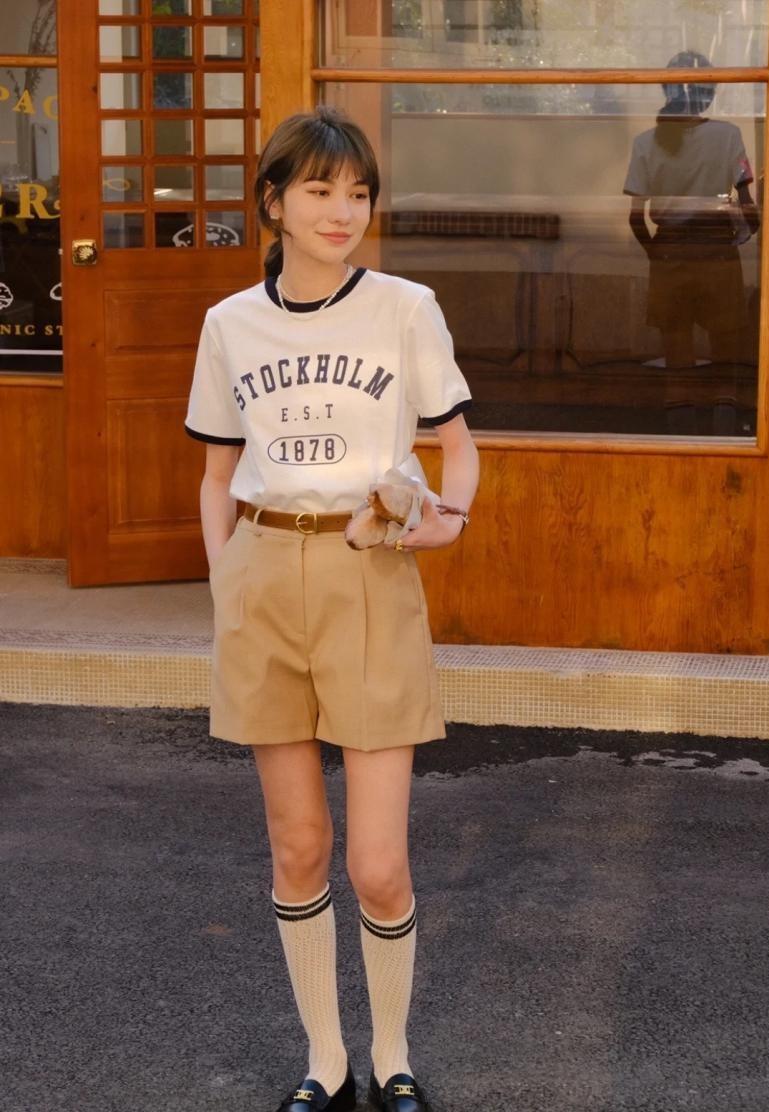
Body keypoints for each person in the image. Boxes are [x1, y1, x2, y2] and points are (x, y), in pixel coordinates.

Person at [185, 105, 479, 1112]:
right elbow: (216, 476)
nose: (342, 211)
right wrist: (227, 583)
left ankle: (392, 1054)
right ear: (273, 202)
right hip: (264, 570)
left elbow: (457, 445)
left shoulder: (405, 308)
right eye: (319, 190)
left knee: (378, 863)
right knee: (299, 846)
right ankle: (328, 1061)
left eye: (358, 193)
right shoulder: (230, 324)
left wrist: (450, 518)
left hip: (369, 569)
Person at [623, 51, 760, 434]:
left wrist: (658, 254)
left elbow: (635, 218)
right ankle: (725, 427)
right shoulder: (728, 136)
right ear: (710, 94)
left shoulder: (645, 143)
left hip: (670, 251)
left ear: (666, 90)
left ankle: (679, 432)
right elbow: (748, 208)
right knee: (725, 347)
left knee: (676, 349)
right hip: (717, 251)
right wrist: (742, 234)